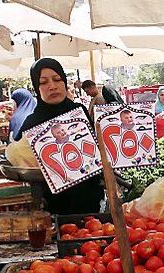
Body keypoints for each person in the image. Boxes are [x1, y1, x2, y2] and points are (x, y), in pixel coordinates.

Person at [19, 58, 104, 216]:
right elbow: (19, 159)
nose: (52, 86)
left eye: (57, 79)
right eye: (43, 82)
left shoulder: (79, 112)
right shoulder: (31, 124)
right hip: (51, 208)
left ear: (64, 82)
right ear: (37, 88)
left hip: (89, 204)